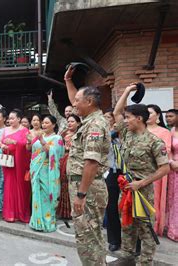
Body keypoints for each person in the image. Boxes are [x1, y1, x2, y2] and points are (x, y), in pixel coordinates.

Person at [113, 83, 170, 264]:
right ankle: (127, 256)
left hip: (143, 190)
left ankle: (145, 261)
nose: (126, 120)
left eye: (129, 117)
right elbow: (116, 112)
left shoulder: (154, 142)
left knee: (145, 228)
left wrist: (142, 183)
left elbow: (165, 168)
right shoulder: (127, 134)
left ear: (139, 118)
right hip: (127, 187)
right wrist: (128, 91)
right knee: (127, 224)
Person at [64, 66, 110, 265]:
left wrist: (81, 195)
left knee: (87, 239)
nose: (74, 105)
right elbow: (76, 100)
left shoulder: (95, 125)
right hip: (85, 187)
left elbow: (91, 162)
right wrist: (68, 81)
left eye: (77, 101)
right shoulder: (90, 119)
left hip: (87, 189)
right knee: (92, 235)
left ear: (89, 102)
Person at [28, 115, 65, 232]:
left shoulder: (57, 138)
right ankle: (36, 222)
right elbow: (33, 153)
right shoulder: (39, 136)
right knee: (36, 196)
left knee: (47, 196)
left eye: (47, 123)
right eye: (43, 123)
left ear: (53, 125)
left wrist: (43, 142)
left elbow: (55, 155)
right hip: (36, 170)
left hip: (48, 172)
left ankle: (48, 223)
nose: (43, 125)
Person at [0, 109, 31, 223]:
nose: (10, 120)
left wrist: (14, 142)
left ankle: (20, 212)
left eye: (13, 118)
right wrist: (2, 145)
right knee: (9, 186)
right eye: (9, 118)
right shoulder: (6, 129)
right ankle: (10, 213)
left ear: (19, 119)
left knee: (20, 186)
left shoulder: (24, 130)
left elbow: (28, 146)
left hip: (20, 163)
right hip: (8, 161)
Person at [146, 104, 171, 236]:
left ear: (158, 116)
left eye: (150, 113)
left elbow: (166, 150)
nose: (147, 115)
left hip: (156, 169)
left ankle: (153, 227)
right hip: (140, 170)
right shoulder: (140, 130)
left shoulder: (164, 132)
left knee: (154, 198)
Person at [103, 109, 122, 252]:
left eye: (109, 117)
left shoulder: (126, 133)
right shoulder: (105, 133)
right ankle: (114, 240)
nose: (107, 119)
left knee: (128, 207)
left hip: (127, 172)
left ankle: (133, 241)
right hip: (111, 172)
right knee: (111, 207)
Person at [57, 114, 81, 221]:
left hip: (75, 161)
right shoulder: (64, 134)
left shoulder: (81, 134)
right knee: (63, 183)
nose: (70, 123)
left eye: (72, 121)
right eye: (69, 121)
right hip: (64, 158)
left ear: (78, 123)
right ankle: (63, 211)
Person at [167, 118, 178, 241]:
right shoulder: (172, 130)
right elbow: (168, 149)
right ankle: (174, 229)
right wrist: (171, 162)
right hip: (173, 168)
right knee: (174, 199)